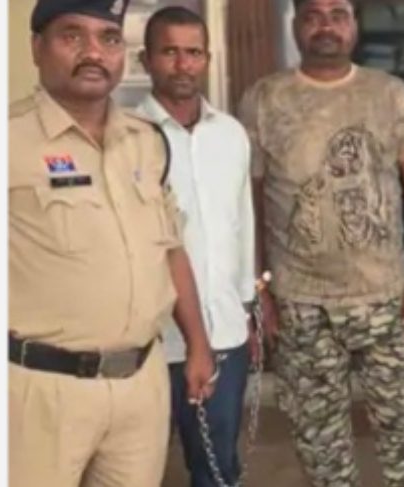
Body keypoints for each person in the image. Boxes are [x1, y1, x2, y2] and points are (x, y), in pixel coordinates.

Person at [8, 1, 216, 486]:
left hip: (140, 385)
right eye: (72, 36)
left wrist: (198, 344)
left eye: (109, 38)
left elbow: (170, 249)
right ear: (37, 48)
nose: (93, 52)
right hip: (39, 391)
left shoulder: (145, 141)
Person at [236, 0, 404, 485]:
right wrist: (260, 290)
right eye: (313, 15)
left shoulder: (389, 94)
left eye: (338, 14)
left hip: (385, 298)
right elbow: (250, 203)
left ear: (354, 24)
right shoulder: (264, 99)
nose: (325, 26)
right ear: (296, 26)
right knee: (321, 450)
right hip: (300, 304)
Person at [135, 6, 260, 487]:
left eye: (193, 53)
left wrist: (249, 304)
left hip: (224, 332)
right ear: (146, 60)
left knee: (217, 467)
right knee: (134, 469)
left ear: (207, 59)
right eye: (169, 52)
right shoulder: (128, 136)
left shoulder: (230, 134)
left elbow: (241, 225)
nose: (183, 64)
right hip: (150, 341)